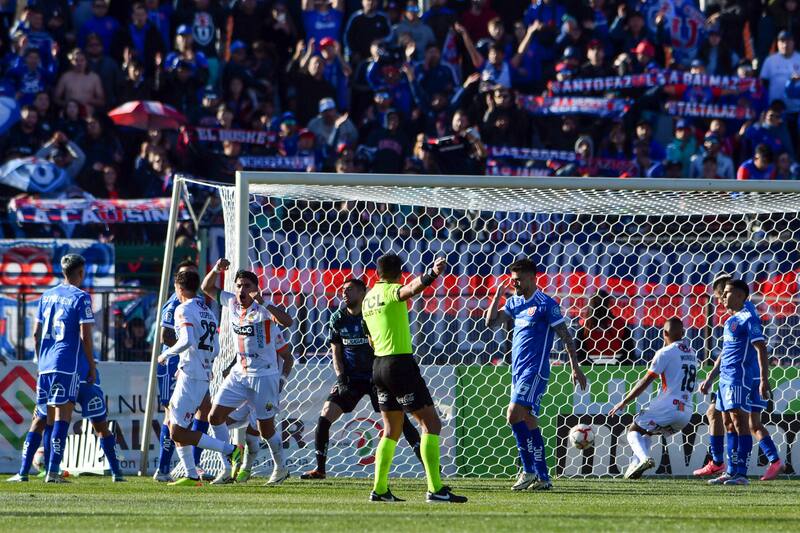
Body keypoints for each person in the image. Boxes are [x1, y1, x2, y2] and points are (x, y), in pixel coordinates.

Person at [7, 254, 124, 483]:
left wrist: (41, 362)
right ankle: (53, 471)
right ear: (80, 272)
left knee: (41, 418)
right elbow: (85, 335)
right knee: (67, 418)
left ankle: (23, 472)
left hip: (47, 365)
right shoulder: (81, 297)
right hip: (69, 367)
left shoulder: (46, 296)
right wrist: (91, 365)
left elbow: (35, 334)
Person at [361, 253, 466, 503]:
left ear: (377, 273)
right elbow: (409, 290)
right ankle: (435, 489)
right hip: (399, 363)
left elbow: (369, 335)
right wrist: (433, 273)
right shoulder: (390, 290)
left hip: (378, 365)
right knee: (431, 425)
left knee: (391, 430)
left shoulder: (367, 299)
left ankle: (380, 489)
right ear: (399, 273)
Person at [301, 278, 422, 480]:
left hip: (377, 377)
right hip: (351, 379)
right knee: (325, 416)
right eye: (342, 290)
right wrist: (341, 379)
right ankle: (320, 469)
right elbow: (336, 352)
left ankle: (428, 468)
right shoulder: (338, 318)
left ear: (362, 292)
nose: (344, 293)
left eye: (349, 289)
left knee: (401, 422)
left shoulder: (371, 315)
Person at [484, 258, 587, 491]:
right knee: (529, 421)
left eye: (518, 280)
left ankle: (528, 471)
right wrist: (498, 294)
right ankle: (543, 478)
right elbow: (490, 323)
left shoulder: (546, 304)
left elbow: (565, 335)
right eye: (512, 280)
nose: (515, 284)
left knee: (512, 415)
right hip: (517, 371)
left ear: (532, 278)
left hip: (535, 370)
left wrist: (575, 366)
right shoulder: (514, 302)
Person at [201, 259, 294, 486]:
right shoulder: (231, 303)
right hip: (239, 374)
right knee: (214, 417)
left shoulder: (263, 309)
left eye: (247, 286)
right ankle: (226, 468)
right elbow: (206, 288)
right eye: (239, 286)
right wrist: (215, 270)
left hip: (264, 376)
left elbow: (288, 322)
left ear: (256, 289)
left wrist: (263, 303)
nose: (242, 290)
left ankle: (281, 468)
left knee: (265, 429)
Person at [694, 273, 784, 481]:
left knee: (741, 422)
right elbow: (726, 352)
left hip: (739, 378)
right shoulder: (730, 321)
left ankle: (741, 473)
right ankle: (731, 471)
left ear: (739, 295)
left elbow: (761, 348)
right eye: (722, 293)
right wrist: (710, 378)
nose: (722, 298)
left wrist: (763, 379)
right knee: (727, 422)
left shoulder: (748, 318)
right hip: (725, 378)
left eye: (726, 293)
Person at [157, 270, 243, 487]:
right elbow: (215, 348)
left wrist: (166, 354)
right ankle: (191, 474)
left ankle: (231, 450)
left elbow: (185, 340)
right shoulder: (208, 311)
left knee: (177, 430)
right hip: (199, 372)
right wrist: (204, 363)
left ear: (179, 288)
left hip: (192, 375)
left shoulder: (182, 309)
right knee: (175, 423)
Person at [609, 318, 697, 479]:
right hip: (686, 412)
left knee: (633, 430)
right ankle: (634, 466)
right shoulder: (692, 353)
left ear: (664, 333)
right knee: (648, 432)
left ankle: (643, 458)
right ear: (683, 333)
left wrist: (624, 401)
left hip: (669, 406)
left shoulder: (665, 352)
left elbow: (646, 381)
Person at [153, 260, 209, 482]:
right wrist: (186, 346)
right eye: (185, 277)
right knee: (172, 417)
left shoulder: (200, 304)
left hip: (196, 364)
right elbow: (165, 337)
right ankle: (164, 468)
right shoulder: (174, 304)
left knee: (204, 409)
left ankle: (194, 464)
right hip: (174, 365)